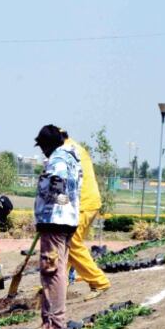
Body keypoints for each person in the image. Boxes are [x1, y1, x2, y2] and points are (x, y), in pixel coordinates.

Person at [32, 124, 82, 329]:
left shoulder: (58, 160)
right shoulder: (72, 158)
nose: (42, 150)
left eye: (42, 146)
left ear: (47, 145)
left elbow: (57, 189)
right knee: (57, 270)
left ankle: (55, 324)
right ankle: (52, 321)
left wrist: (50, 200)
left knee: (52, 272)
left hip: (54, 221)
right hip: (66, 220)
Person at [59, 129, 110, 301]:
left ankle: (99, 282)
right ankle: (59, 284)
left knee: (71, 242)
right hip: (89, 202)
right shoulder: (76, 147)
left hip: (82, 204)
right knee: (67, 244)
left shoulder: (65, 152)